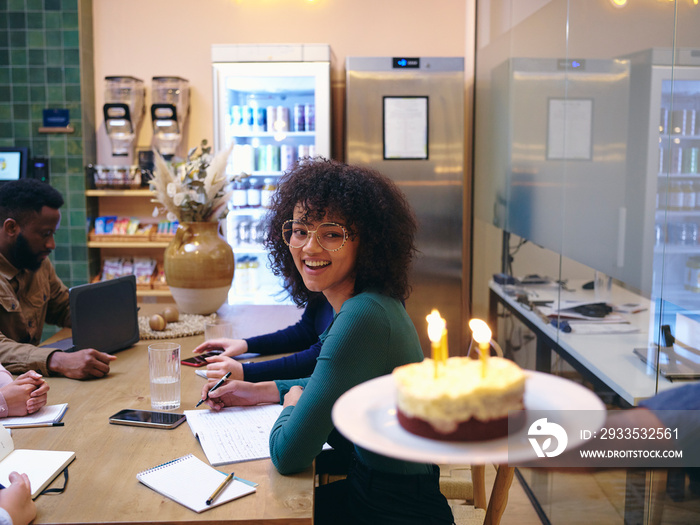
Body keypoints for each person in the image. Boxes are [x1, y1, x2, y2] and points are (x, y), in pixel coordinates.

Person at [201, 159, 454, 524]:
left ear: (367, 242)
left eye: (332, 234)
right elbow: (333, 384)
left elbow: (288, 455)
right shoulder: (372, 302)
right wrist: (263, 390)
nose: (309, 247)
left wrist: (289, 406)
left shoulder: (361, 317)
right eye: (300, 230)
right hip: (382, 490)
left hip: (393, 510)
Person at [0, 179, 116, 379]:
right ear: (11, 228)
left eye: (53, 233)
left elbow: (64, 308)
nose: (52, 244)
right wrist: (58, 360)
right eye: (45, 234)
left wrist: (113, 318)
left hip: (32, 385)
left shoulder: (35, 261)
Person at [192, 295, 333, 381]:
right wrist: (245, 345)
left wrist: (246, 372)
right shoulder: (326, 289)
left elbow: (322, 355)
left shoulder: (352, 306)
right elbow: (305, 332)